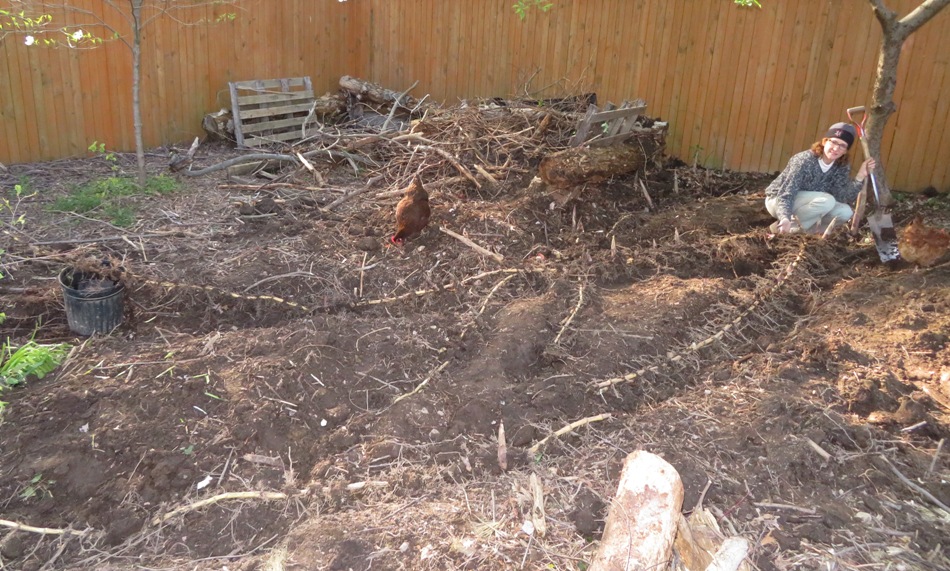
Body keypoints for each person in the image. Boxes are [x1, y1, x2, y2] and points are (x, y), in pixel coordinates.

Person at [764, 122, 876, 234]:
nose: (836, 148)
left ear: (846, 151)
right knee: (827, 201)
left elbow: (842, 197)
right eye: (833, 142)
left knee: (845, 212)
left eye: (842, 146)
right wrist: (784, 217)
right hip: (778, 200)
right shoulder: (804, 160)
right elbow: (786, 193)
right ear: (824, 141)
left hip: (813, 204)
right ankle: (783, 227)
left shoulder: (841, 166)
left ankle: (797, 232)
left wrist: (860, 176)